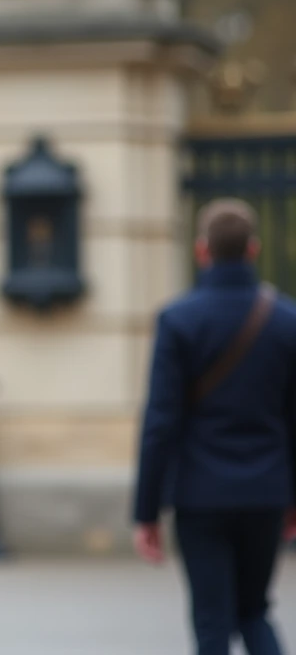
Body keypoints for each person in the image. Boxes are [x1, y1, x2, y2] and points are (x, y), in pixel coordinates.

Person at [133, 198, 296, 655]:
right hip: (266, 491)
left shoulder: (178, 320)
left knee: (212, 621)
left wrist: (146, 511)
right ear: (254, 249)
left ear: (202, 251)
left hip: (200, 496)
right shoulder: (287, 321)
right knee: (255, 611)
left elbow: (160, 422)